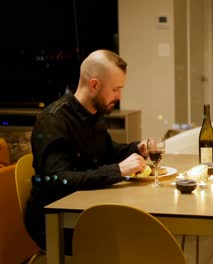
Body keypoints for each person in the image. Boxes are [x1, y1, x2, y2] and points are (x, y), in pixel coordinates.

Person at [25, 49, 153, 255]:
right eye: (115, 89)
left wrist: (137, 148)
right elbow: (60, 180)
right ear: (94, 84)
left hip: (88, 207)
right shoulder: (53, 120)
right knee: (133, 238)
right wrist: (118, 170)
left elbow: (108, 151)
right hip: (55, 219)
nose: (119, 97)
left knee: (141, 229)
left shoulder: (95, 113)